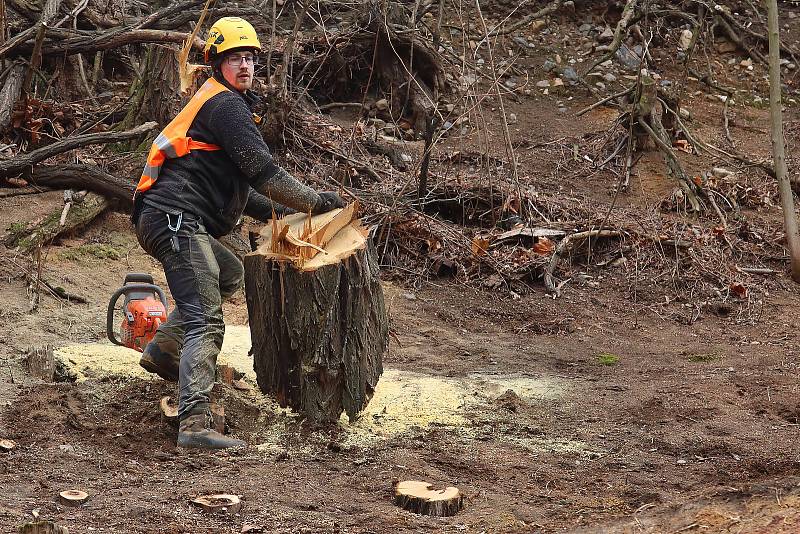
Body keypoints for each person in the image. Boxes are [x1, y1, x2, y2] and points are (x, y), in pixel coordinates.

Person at [131, 17, 345, 449]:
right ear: (216, 63)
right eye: (235, 58)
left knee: (229, 272)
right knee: (206, 318)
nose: (245, 65)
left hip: (170, 216)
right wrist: (315, 201)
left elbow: (248, 196)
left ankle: (163, 351)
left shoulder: (222, 105)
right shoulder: (225, 105)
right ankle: (193, 423)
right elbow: (266, 174)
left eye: (249, 58)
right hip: (174, 217)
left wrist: (293, 215)